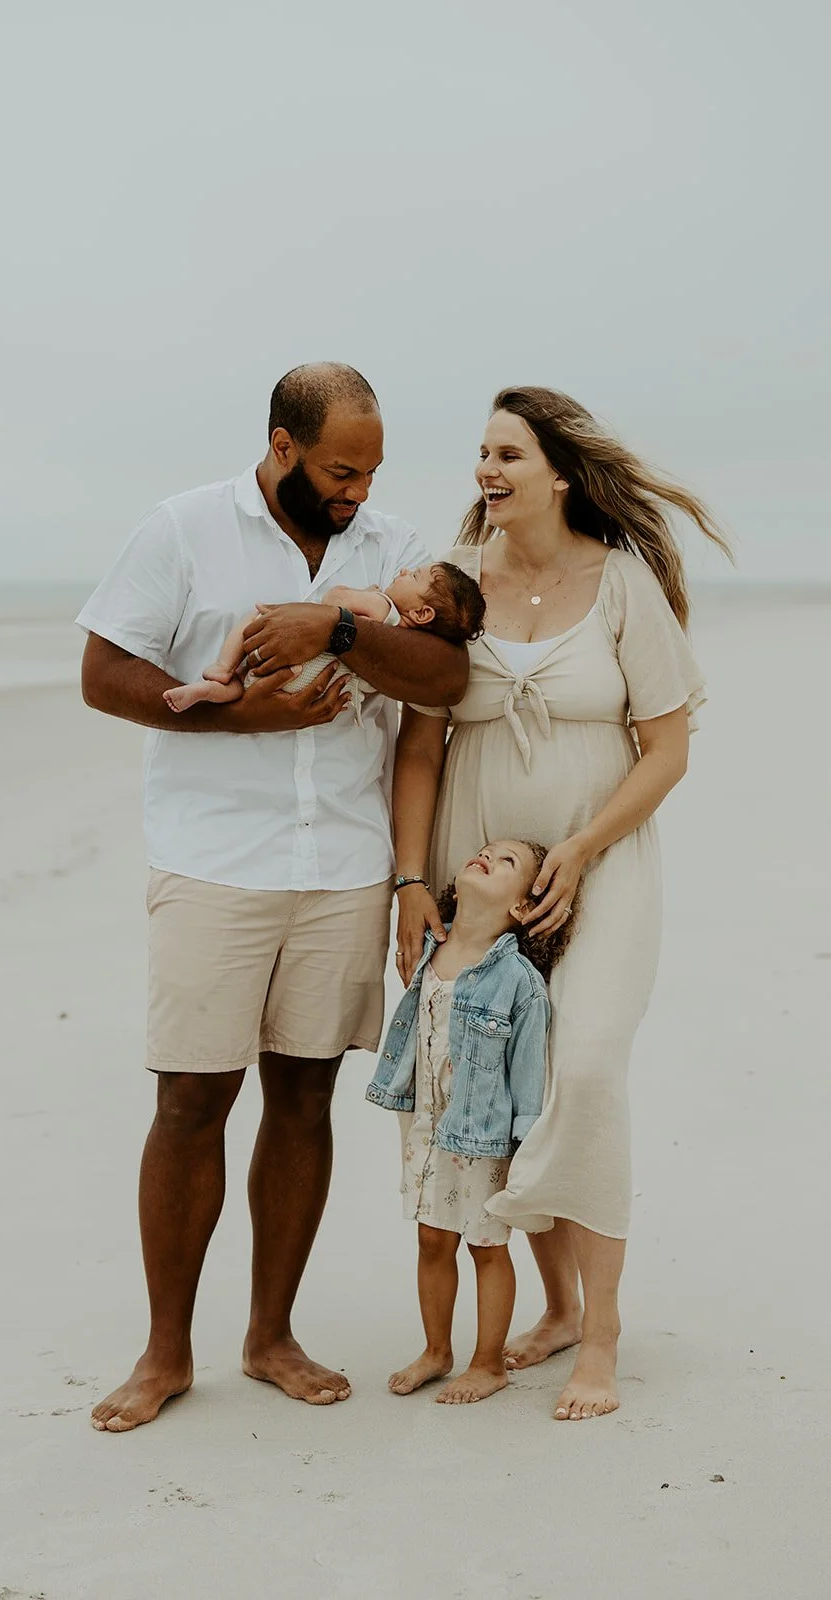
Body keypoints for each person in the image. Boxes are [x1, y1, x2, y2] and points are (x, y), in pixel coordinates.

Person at [77, 362, 469, 1433]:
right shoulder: (181, 529)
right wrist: (238, 720)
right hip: (213, 863)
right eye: (341, 470)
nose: (356, 491)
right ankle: (165, 1352)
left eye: (371, 470)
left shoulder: (390, 546)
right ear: (282, 446)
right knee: (189, 1102)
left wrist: (335, 630)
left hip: (341, 865)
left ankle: (269, 1335)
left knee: (303, 1099)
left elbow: (441, 681)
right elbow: (103, 674)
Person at [393, 386, 729, 1421]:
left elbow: (665, 749)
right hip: (475, 873)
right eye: (479, 454)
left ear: (560, 474)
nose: (485, 471)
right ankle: (546, 1307)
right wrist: (411, 880)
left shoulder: (620, 583)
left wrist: (579, 848)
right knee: (500, 1083)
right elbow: (419, 744)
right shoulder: (456, 588)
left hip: (600, 864)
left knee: (580, 1072)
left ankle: (600, 1331)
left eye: (507, 453)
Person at [367, 840, 573, 1405]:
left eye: (507, 862)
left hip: (484, 1138)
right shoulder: (429, 950)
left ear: (524, 909)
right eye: (485, 850)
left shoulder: (519, 981)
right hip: (430, 1130)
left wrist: (526, 1145)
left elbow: (529, 1073)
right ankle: (437, 1350)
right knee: (431, 1239)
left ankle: (488, 1364)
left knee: (486, 1246)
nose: (487, 856)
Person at [162, 561, 484, 717]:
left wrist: (363, 594)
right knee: (242, 689)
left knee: (257, 618)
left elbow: (333, 598)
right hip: (314, 687)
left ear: (423, 614)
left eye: (414, 576)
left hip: (300, 664)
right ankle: (211, 691)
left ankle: (220, 668)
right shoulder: (400, 647)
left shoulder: (382, 607)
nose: (403, 572)